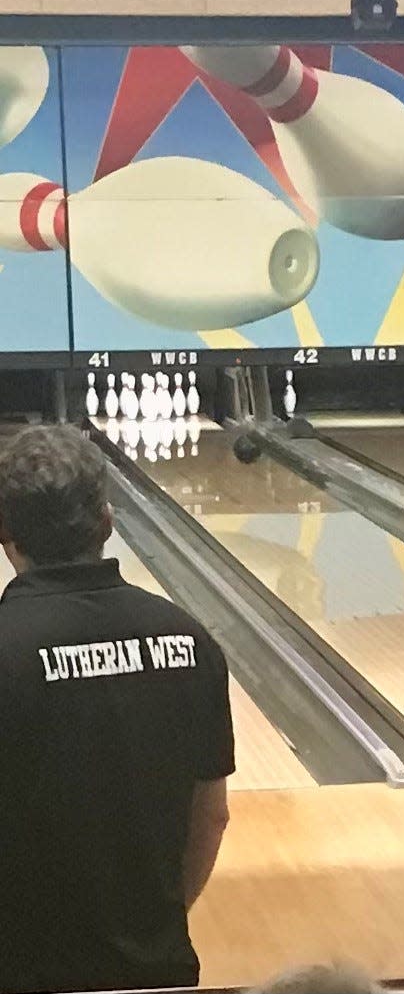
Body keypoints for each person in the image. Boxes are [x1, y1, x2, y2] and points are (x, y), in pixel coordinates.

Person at [0, 425, 235, 993]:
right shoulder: (191, 640)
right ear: (107, 521)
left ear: (4, 532)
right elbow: (213, 815)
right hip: (161, 970)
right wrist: (154, 925)